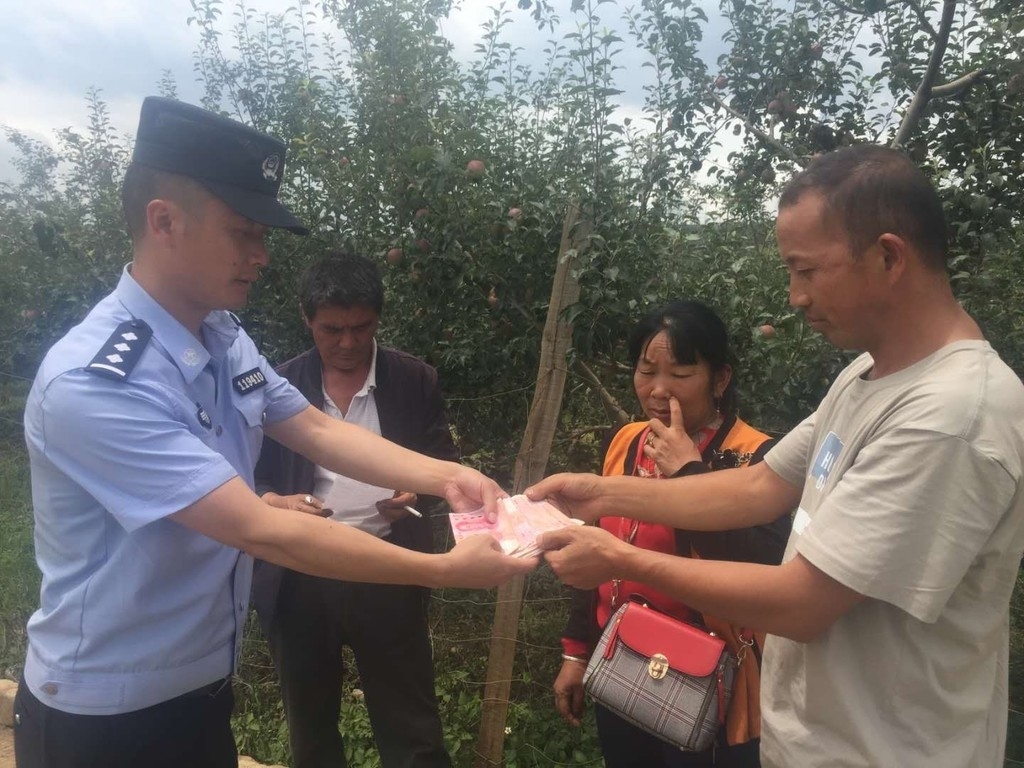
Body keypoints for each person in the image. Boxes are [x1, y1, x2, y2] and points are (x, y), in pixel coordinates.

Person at [13, 96, 535, 768]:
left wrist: (448, 476)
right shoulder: (97, 383)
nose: (261, 256)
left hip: (199, 693)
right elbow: (260, 529)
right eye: (243, 233)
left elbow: (312, 427)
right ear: (164, 221)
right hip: (104, 719)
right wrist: (442, 570)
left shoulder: (222, 337)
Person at [529, 145, 1024, 767]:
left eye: (806, 271)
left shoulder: (949, 419)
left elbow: (803, 602)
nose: (794, 297)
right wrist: (599, 492)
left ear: (889, 256)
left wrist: (620, 558)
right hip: (814, 742)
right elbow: (758, 487)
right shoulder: (867, 377)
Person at [554, 300, 788, 768]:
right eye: (646, 371)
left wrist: (688, 473)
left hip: (709, 680)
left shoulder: (757, 458)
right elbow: (597, 553)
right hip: (622, 660)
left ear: (720, 379)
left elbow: (763, 568)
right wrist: (576, 654)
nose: (658, 390)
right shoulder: (626, 441)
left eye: (680, 374)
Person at [252, 252, 457, 768]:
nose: (347, 343)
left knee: (411, 725)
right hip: (301, 575)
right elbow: (250, 475)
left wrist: (416, 494)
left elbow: (443, 464)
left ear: (378, 319)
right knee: (310, 728)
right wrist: (276, 502)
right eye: (332, 330)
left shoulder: (413, 381)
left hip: (389, 568)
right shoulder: (280, 387)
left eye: (361, 328)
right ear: (307, 319)